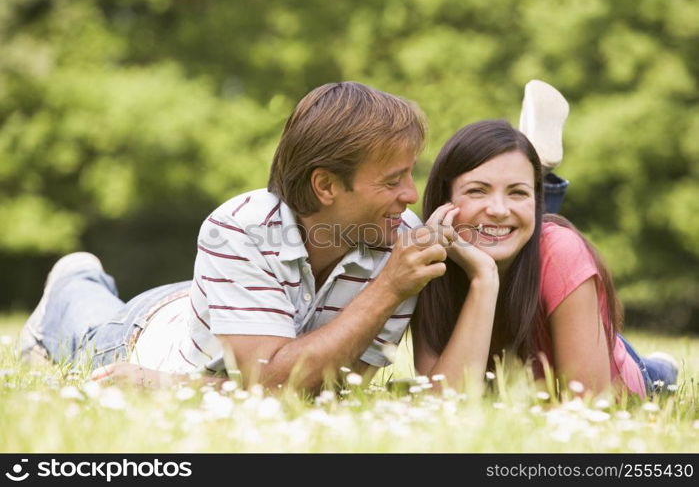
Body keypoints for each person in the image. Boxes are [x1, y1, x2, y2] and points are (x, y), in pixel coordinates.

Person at [20, 81, 450, 392]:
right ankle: (72, 280)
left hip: (237, 307)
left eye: (410, 175)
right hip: (148, 332)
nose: (411, 195)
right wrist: (389, 288)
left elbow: (331, 390)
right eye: (392, 180)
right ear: (327, 186)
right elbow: (273, 386)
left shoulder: (401, 244)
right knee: (84, 317)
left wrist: (178, 388)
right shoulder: (241, 228)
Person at [412, 119, 678, 397]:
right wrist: (485, 280)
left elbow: (587, 403)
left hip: (620, 364)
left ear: (535, 201)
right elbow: (443, 402)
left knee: (659, 376)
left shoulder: (560, 251)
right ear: (444, 200)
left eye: (518, 192)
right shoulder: (428, 263)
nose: (499, 209)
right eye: (477, 190)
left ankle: (662, 366)